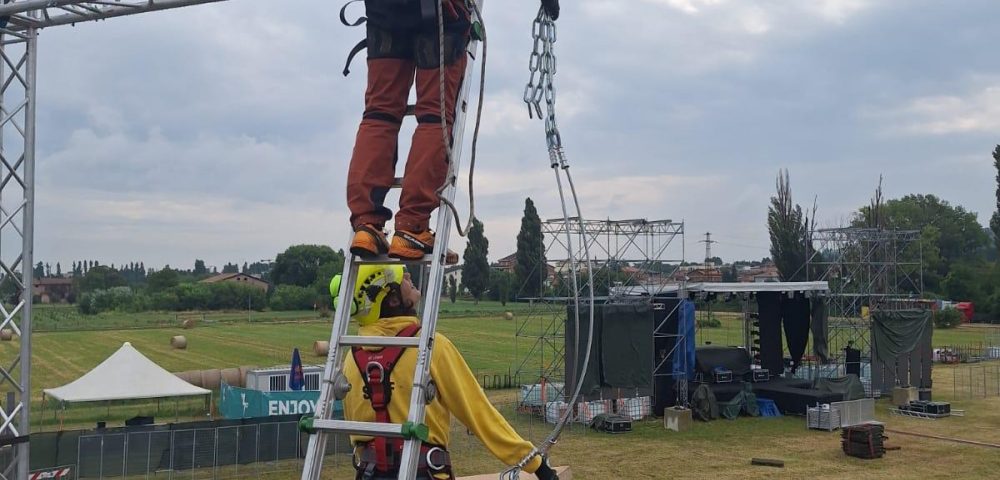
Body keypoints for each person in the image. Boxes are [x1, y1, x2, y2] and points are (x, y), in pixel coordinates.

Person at [347, 0, 561, 261]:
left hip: (385, 12)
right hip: (440, 13)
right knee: (434, 116)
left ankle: (366, 224)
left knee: (379, 113)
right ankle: (412, 227)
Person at [331, 265, 560, 480]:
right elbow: (479, 412)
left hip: (369, 473)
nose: (409, 276)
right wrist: (536, 464)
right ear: (392, 300)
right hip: (423, 472)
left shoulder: (352, 358)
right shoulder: (430, 348)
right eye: (403, 278)